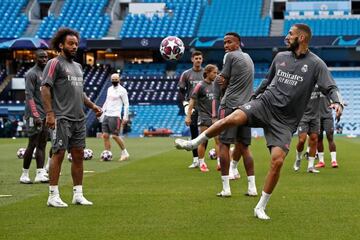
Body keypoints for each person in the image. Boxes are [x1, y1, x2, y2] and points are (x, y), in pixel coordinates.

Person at [175, 23, 344, 220]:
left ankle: (260, 207)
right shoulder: (280, 57)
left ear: (302, 38)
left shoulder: (316, 64)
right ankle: (194, 143)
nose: (286, 37)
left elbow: (331, 87)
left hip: (286, 121)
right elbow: (267, 81)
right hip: (265, 104)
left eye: (290, 34)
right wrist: (254, 98)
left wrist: (338, 102)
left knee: (278, 161)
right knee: (233, 117)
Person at [41, 28, 102, 207]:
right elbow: (45, 88)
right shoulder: (54, 63)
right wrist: (50, 114)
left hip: (78, 118)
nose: (75, 46)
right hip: (61, 117)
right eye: (71, 43)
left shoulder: (78, 67)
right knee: (58, 154)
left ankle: (78, 194)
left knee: (78, 155)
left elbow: (80, 92)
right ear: (61, 45)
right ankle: (53, 195)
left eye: (76, 44)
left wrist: (92, 106)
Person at [214, 32, 257, 197]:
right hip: (246, 108)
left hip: (230, 105)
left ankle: (226, 189)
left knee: (224, 144)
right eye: (224, 43)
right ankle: (252, 188)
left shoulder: (230, 57)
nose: (226, 46)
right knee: (244, 147)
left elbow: (221, 80)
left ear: (238, 43)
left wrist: (222, 81)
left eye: (229, 42)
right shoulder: (249, 58)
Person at [19, 49, 49, 184]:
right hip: (33, 115)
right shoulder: (31, 74)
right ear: (35, 58)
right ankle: (24, 174)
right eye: (41, 57)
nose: (44, 60)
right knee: (32, 144)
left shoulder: (47, 73)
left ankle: (39, 173)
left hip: (45, 113)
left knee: (42, 143)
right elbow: (29, 95)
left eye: (46, 57)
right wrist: (35, 115)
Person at [185, 64, 219, 172]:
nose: (216, 75)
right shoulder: (200, 85)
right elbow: (192, 101)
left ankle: (219, 163)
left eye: (217, 73)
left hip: (215, 118)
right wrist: (188, 116)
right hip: (204, 117)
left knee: (219, 141)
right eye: (214, 73)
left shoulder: (216, 85)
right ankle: (202, 163)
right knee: (203, 141)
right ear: (208, 73)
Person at [178, 50, 204, 168]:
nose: (198, 60)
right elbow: (181, 91)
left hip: (205, 107)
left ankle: (201, 159)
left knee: (204, 134)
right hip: (192, 107)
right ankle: (195, 160)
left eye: (200, 58)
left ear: (202, 60)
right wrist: (185, 104)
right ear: (192, 59)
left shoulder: (206, 73)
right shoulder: (186, 74)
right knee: (193, 132)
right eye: (196, 58)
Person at [101, 73, 130, 161]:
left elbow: (126, 104)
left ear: (119, 80)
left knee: (114, 136)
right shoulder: (109, 89)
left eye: (116, 79)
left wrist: (125, 117)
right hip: (107, 114)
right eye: (113, 79)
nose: (114, 81)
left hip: (115, 115)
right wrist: (102, 111)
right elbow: (107, 101)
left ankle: (125, 153)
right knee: (105, 135)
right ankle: (107, 154)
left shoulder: (122, 90)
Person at [293, 86, 321, 173]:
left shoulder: (320, 84)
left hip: (315, 117)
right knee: (302, 140)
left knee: (314, 139)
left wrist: (338, 102)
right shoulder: (303, 83)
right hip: (303, 116)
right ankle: (298, 158)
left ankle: (310, 167)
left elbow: (330, 90)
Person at [315, 93, 339, 168]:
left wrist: (338, 104)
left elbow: (335, 98)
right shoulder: (312, 87)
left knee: (330, 137)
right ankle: (321, 161)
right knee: (319, 138)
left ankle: (334, 160)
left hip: (327, 116)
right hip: (316, 117)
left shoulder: (327, 88)